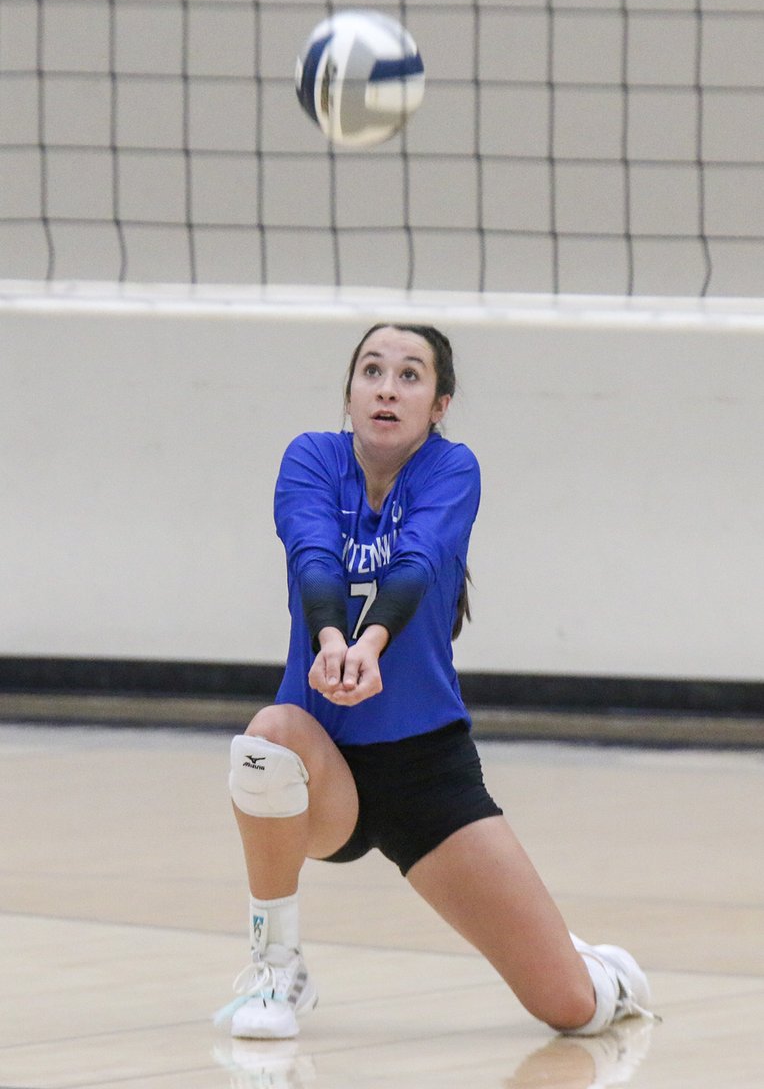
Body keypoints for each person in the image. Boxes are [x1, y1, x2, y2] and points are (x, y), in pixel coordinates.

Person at [214, 322, 656, 1042]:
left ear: (439, 404)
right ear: (350, 392)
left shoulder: (453, 470)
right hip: (325, 765)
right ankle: (277, 969)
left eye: (411, 375)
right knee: (266, 741)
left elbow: (416, 563)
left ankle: (597, 970)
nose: (388, 387)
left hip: (425, 770)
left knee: (571, 1012)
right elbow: (312, 556)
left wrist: (373, 645)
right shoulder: (311, 459)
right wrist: (332, 639)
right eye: (373, 371)